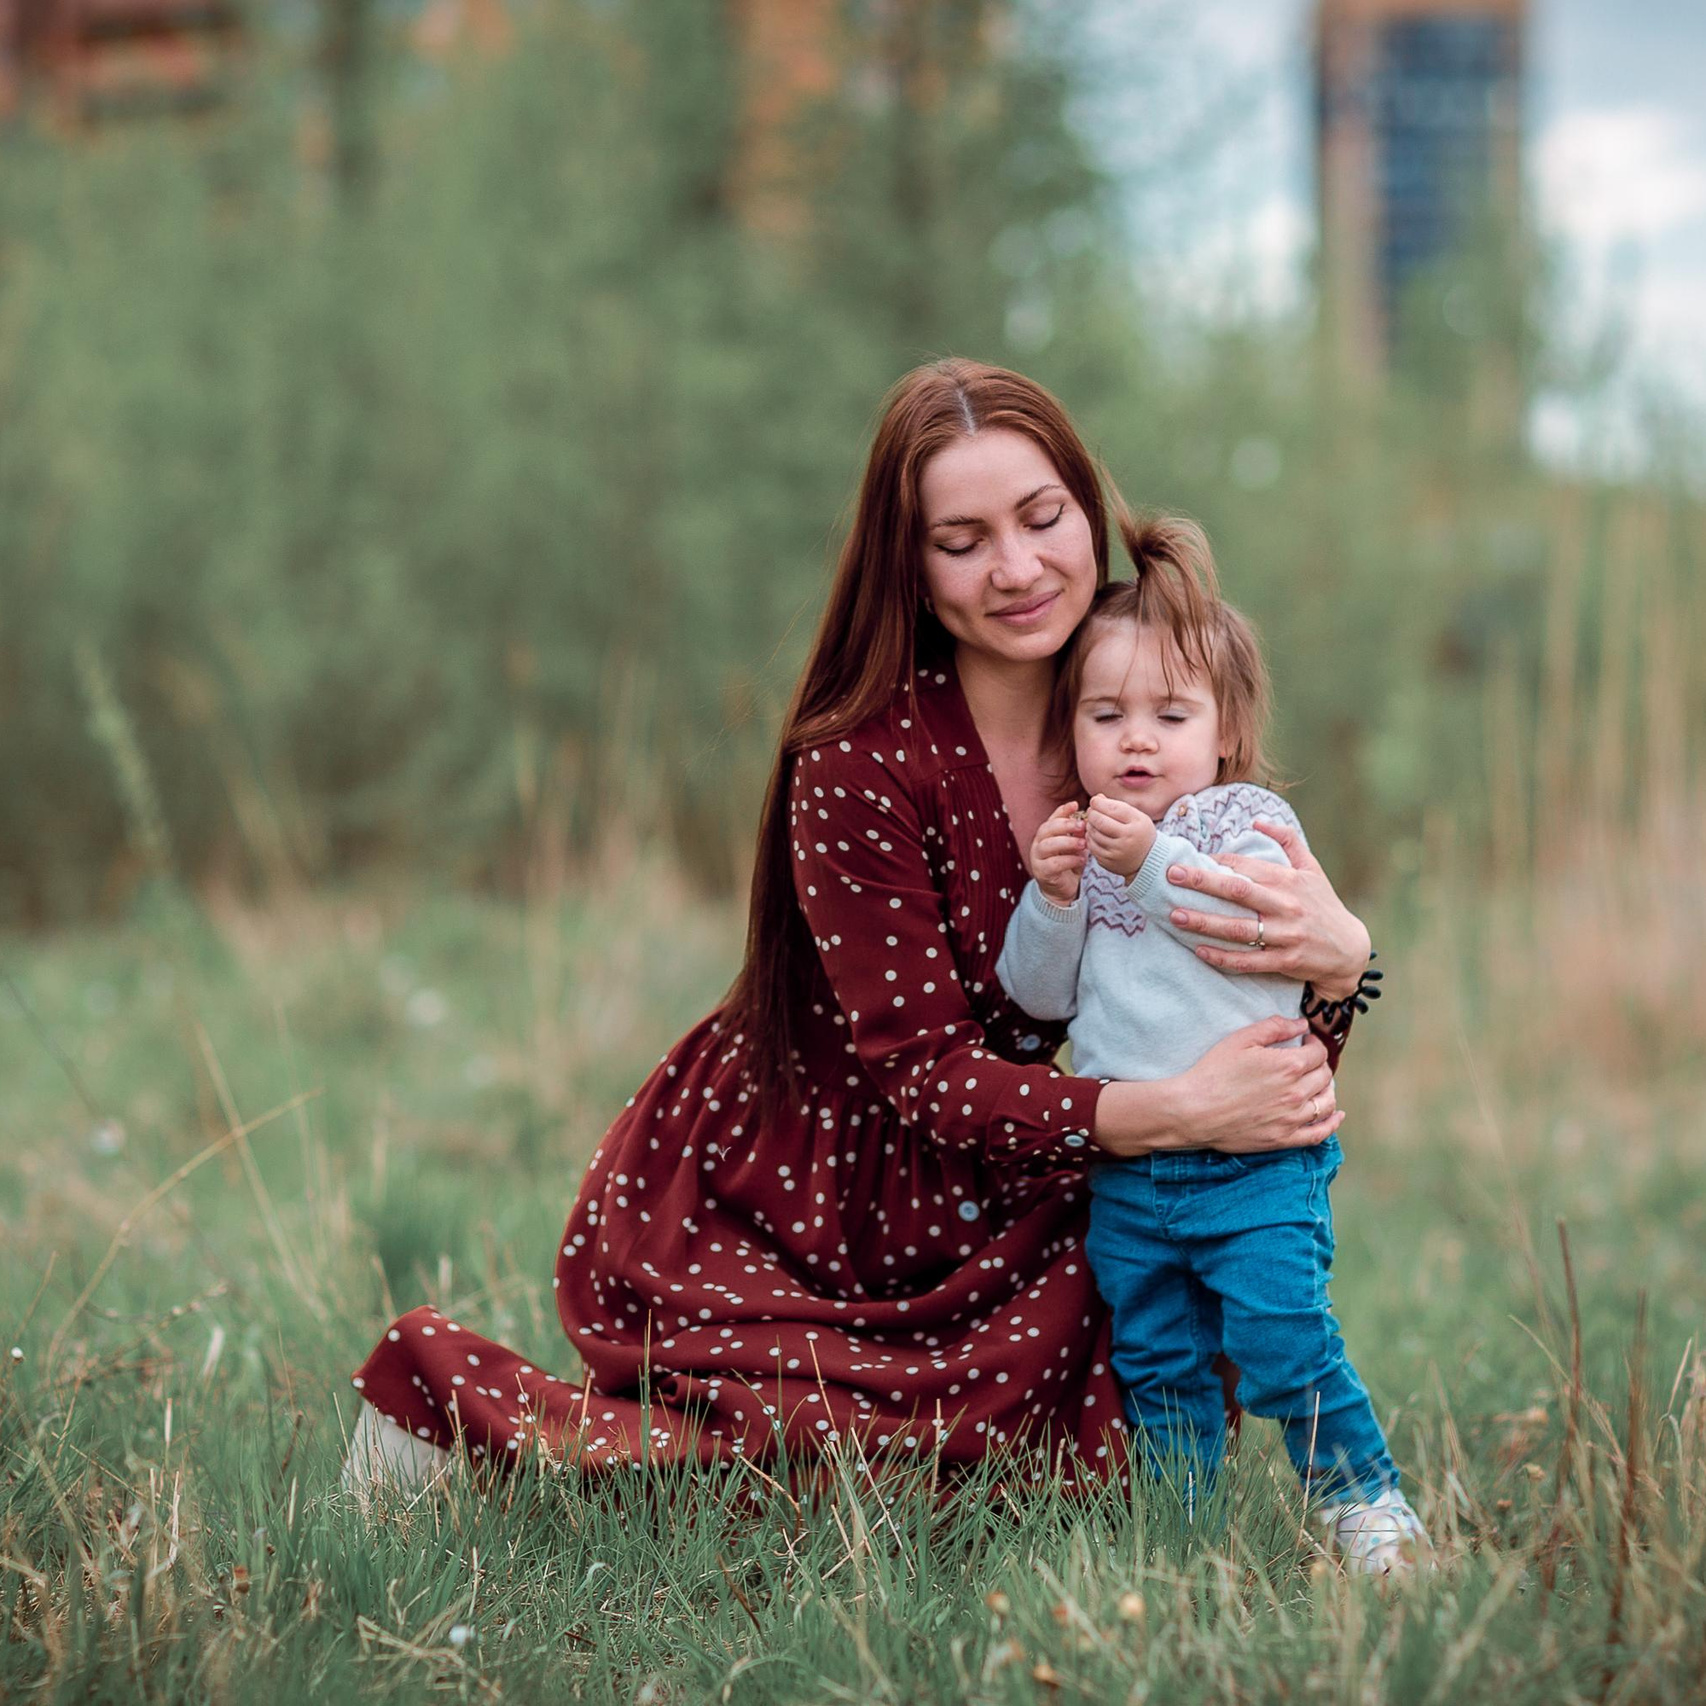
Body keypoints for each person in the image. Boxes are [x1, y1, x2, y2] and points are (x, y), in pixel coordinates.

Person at [342, 359, 1374, 1499]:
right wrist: (1173, 1110)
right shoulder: (858, 760)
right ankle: (447, 1429)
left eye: (1041, 517)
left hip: (1033, 1152)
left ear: (1087, 511)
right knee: (861, 1470)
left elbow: (1251, 1019)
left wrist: (1340, 960)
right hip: (827, 1176)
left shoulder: (1153, 715)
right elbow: (924, 1073)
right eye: (962, 538)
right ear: (910, 563)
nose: (1017, 567)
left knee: (1138, 1373)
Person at [994, 527, 1426, 1573]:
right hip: (1133, 1169)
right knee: (1159, 1358)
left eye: (1168, 715)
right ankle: (1178, 1534)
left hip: (1254, 1161)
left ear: (1225, 731)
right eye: (1105, 716)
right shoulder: (1090, 843)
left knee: (1280, 1336)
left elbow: (1228, 925)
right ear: (1073, 728)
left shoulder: (1242, 820)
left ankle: (1364, 1502)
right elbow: (1032, 997)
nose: (1134, 741)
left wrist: (1141, 861)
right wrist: (1051, 899)